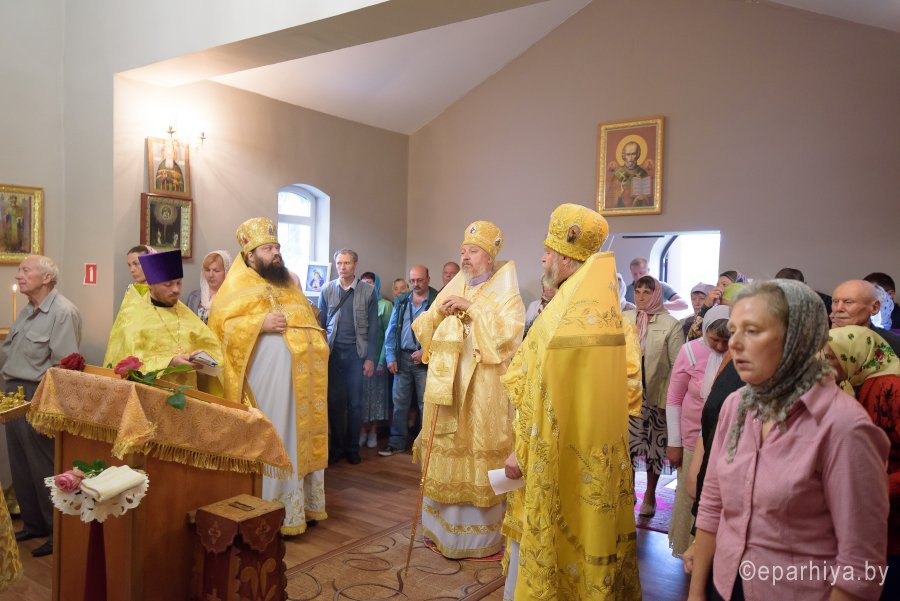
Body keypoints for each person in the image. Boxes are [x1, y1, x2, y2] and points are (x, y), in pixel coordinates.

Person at [689, 280, 890, 601]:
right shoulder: (737, 405)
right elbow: (713, 505)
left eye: (752, 331)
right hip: (726, 584)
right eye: (734, 331)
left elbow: (860, 563)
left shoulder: (843, 426)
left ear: (798, 337)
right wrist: (696, 592)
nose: (734, 343)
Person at [501, 203, 642, 600]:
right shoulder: (610, 315)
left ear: (565, 258)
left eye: (547, 251)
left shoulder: (560, 320)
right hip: (595, 454)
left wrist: (521, 452)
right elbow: (630, 392)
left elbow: (534, 390)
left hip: (551, 451)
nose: (543, 258)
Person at [208, 217, 329, 535]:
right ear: (250, 255)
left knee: (299, 437)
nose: (276, 253)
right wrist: (258, 324)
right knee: (279, 436)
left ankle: (303, 506)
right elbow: (220, 328)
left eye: (277, 247)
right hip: (268, 384)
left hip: (302, 382)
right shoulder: (235, 285)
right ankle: (275, 509)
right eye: (268, 248)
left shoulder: (288, 283)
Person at [412, 220, 524, 559]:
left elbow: (508, 337)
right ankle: (439, 530)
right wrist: (440, 313)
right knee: (446, 448)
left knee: (477, 450)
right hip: (447, 388)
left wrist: (471, 308)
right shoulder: (456, 284)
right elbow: (424, 325)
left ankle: (478, 539)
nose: (465, 257)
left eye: (473, 251)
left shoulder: (507, 291)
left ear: (489, 257)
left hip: (482, 391)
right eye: (463, 251)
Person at [1, 255, 81, 558]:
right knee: (21, 466)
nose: (19, 275)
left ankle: (56, 531)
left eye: (25, 270)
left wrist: (45, 406)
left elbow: (64, 367)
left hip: (38, 396)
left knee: (44, 466)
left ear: (46, 278)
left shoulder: (62, 313)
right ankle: (33, 523)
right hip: (14, 395)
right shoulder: (27, 311)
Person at [825, 325, 900, 600]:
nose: (825, 366)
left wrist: (875, 489)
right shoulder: (857, 383)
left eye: (831, 358)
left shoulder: (890, 387)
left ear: (853, 356)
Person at [104, 250, 224, 394]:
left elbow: (216, 356)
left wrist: (203, 358)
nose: (176, 290)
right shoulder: (133, 317)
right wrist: (171, 362)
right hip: (147, 397)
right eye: (168, 284)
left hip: (188, 399)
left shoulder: (187, 315)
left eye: (179, 283)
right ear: (151, 284)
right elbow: (126, 364)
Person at [665, 305, 730, 557]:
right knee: (689, 495)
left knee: (714, 500)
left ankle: (710, 556)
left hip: (723, 442)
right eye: (715, 340)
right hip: (692, 440)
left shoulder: (739, 354)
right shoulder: (690, 351)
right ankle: (688, 554)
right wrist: (674, 443)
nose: (721, 347)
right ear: (705, 332)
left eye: (727, 341)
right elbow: (674, 399)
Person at [624, 275, 684, 517]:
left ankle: (650, 494)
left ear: (657, 294)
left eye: (647, 292)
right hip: (628, 393)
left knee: (654, 447)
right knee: (627, 445)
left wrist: (667, 400)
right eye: (637, 291)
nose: (640, 296)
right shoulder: (625, 318)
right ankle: (627, 490)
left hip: (655, 395)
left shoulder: (670, 323)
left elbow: (677, 366)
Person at [318, 249, 379, 465]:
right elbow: (321, 324)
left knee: (355, 404)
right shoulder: (327, 289)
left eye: (347, 263)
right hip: (333, 354)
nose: (342, 267)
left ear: (355, 265)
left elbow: (374, 328)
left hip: (356, 354)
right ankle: (337, 448)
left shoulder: (368, 291)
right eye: (339, 263)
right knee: (335, 403)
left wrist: (370, 358)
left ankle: (353, 449)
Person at [379, 264, 438, 456]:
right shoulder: (402, 301)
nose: (416, 284)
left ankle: (425, 445)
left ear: (428, 279)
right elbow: (391, 330)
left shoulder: (437, 300)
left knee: (425, 404)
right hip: (402, 357)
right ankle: (396, 443)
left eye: (420, 280)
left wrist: (425, 351)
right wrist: (390, 356)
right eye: (412, 280)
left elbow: (442, 332)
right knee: (399, 403)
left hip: (425, 360)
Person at [358, 272, 392, 448]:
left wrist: (381, 361)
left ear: (376, 285)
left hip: (378, 359)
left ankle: (373, 432)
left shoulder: (385, 305)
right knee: (361, 398)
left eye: (370, 282)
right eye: (364, 283)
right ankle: (362, 431)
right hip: (360, 360)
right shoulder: (358, 303)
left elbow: (388, 335)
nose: (367, 286)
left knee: (377, 399)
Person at [831, 279, 900, 353]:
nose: (838, 308)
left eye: (848, 302)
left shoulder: (895, 344)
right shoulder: (824, 340)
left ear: (874, 308)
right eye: (835, 302)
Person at [686, 270, 748, 341]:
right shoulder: (713, 313)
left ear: (737, 287)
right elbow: (692, 339)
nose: (718, 288)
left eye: (724, 285)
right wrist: (706, 306)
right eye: (718, 285)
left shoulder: (746, 313)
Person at [186, 250, 232, 324]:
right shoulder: (193, 297)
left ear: (226, 272)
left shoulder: (232, 299)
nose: (211, 275)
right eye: (207, 270)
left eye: (216, 271)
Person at [607, 140, 653, 208]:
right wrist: (620, 191)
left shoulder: (643, 174)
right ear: (624, 156)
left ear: (638, 155)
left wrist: (643, 197)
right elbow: (610, 202)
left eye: (633, 154)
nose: (631, 158)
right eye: (628, 154)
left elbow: (650, 202)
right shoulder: (618, 174)